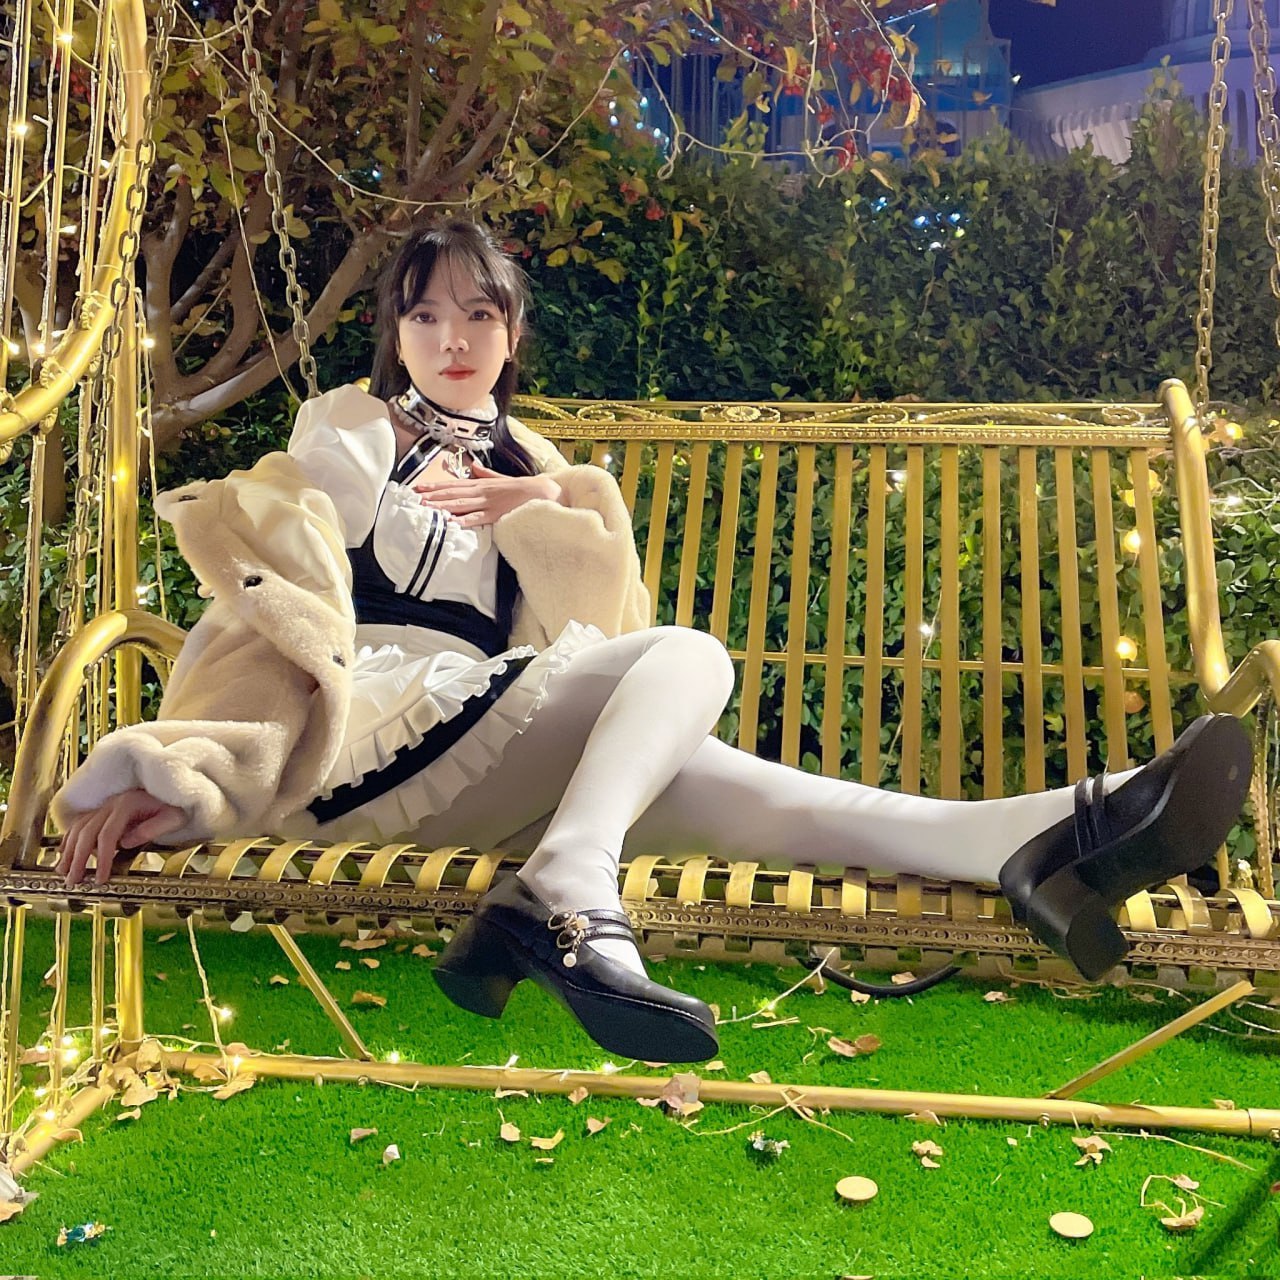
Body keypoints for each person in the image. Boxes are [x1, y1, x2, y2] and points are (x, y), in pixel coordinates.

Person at [53, 219, 1253, 1065]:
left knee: (760, 788)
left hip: (494, 753)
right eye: (423, 313)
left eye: (478, 312)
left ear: (511, 332)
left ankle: (1041, 840)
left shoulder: (537, 467)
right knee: (695, 657)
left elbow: (593, 644)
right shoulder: (349, 432)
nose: (450, 336)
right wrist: (197, 769)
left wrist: (543, 505)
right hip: (363, 737)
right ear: (396, 333)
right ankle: (566, 889)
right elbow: (280, 613)